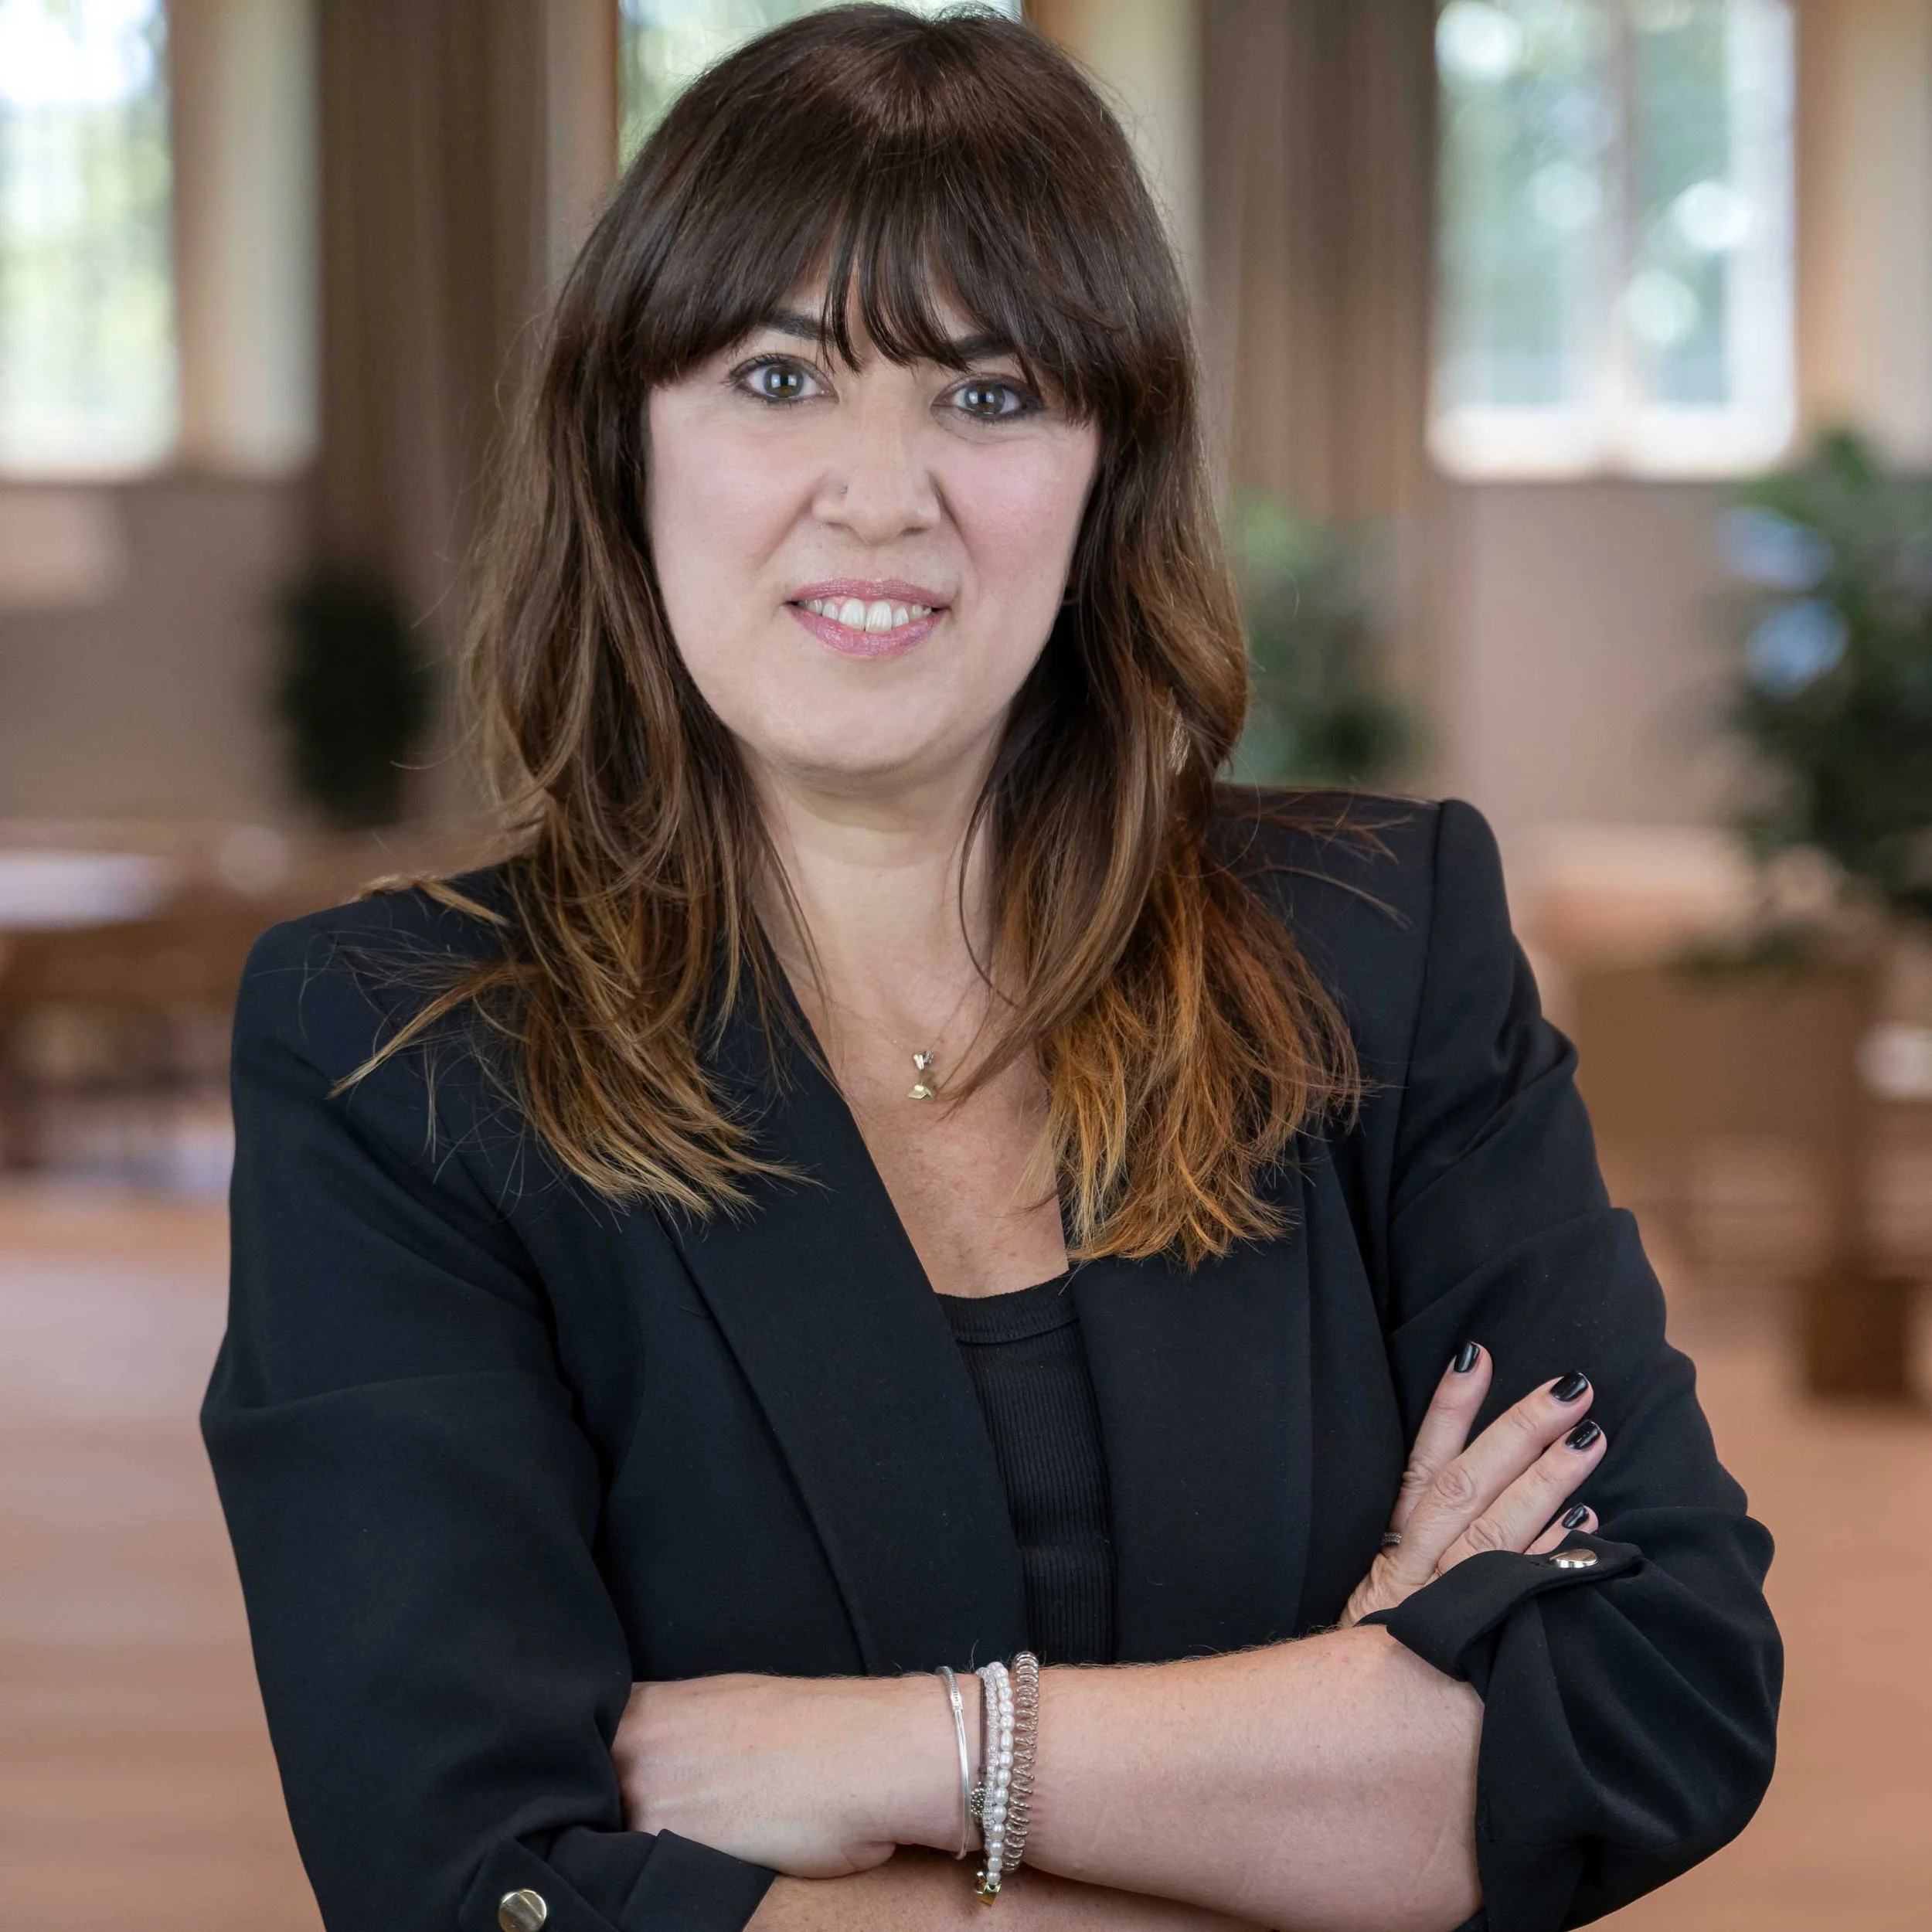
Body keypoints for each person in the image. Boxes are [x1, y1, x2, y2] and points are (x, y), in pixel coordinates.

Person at [200, 9, 1781, 1932]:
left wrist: (905, 1751)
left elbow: (1654, 1694)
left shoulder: (1379, 944)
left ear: (1109, 468)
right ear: (624, 449)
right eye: (775, 376)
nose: (880, 494)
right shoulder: (400, 1050)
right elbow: (478, 1874)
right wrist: (1336, 1757)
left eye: (990, 393)